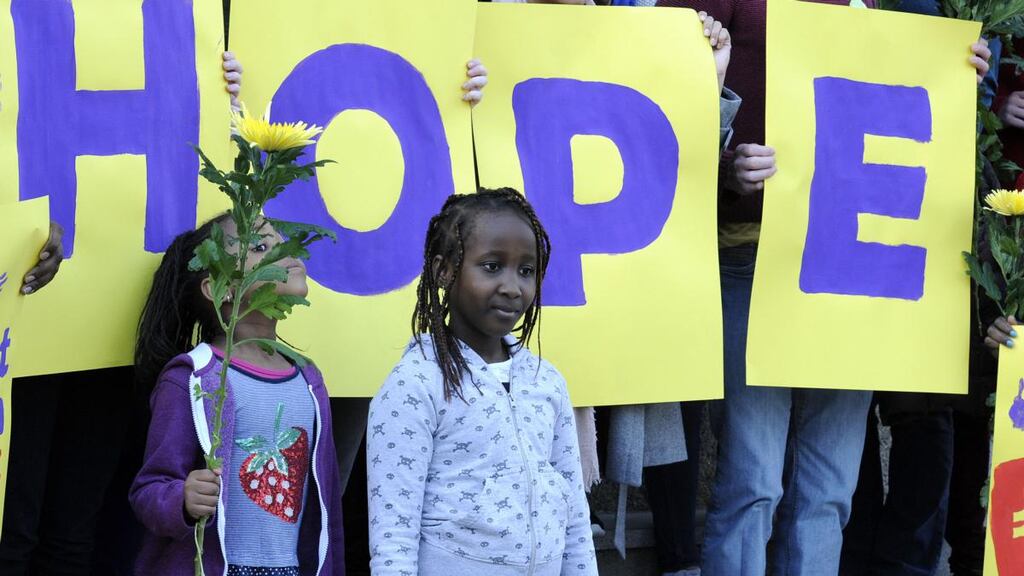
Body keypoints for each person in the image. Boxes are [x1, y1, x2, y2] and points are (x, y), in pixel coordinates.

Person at [655, 1, 991, 574]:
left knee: (829, 489)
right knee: (752, 481)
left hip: (851, 266)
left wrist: (955, 72)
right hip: (751, 257)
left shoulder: (870, 5)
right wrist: (725, 167)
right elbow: (651, 96)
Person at [367, 188, 597, 575]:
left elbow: (574, 511)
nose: (512, 286)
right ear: (443, 270)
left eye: (526, 271)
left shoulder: (547, 383)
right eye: (492, 266)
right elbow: (393, 534)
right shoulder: (414, 386)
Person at [129, 215, 345, 575]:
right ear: (219, 289)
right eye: (261, 248)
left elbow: (328, 512)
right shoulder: (194, 377)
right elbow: (149, 489)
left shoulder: (308, 379)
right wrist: (181, 498)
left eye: (282, 242)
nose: (286, 252)